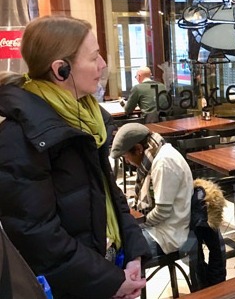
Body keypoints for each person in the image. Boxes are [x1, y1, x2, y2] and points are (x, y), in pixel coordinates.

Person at [0, 15, 151, 299]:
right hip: (71, 287)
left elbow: (109, 193)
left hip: (102, 269)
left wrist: (132, 252)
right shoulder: (19, 136)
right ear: (61, 70)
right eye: (94, 57)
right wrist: (107, 280)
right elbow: (36, 234)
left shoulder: (86, 120)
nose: (103, 65)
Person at [110, 123, 194, 256]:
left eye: (126, 157)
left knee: (118, 252)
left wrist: (137, 225)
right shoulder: (157, 152)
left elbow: (162, 212)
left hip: (167, 235)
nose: (126, 162)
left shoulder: (163, 163)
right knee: (117, 239)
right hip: (163, 227)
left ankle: (136, 275)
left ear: (138, 149)